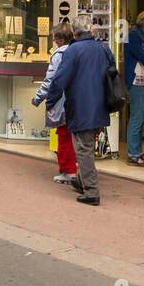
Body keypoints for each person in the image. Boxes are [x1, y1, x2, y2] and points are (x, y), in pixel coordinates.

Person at [38, 12, 111, 206]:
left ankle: (92, 192)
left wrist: (50, 101)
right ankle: (82, 181)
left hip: (80, 105)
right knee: (87, 144)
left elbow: (59, 80)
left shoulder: (71, 51)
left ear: (73, 33)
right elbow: (112, 74)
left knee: (84, 148)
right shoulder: (103, 49)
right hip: (100, 105)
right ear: (92, 30)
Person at [31, 22, 77, 186]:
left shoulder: (59, 55)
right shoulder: (76, 51)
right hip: (75, 99)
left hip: (62, 100)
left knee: (63, 135)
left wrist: (38, 98)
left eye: (54, 37)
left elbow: (51, 80)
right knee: (69, 135)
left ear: (58, 39)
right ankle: (69, 168)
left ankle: (69, 170)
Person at [123, 10, 144, 167]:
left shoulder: (140, 38)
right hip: (136, 82)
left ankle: (139, 151)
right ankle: (133, 154)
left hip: (143, 81)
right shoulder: (132, 37)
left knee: (141, 117)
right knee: (137, 118)